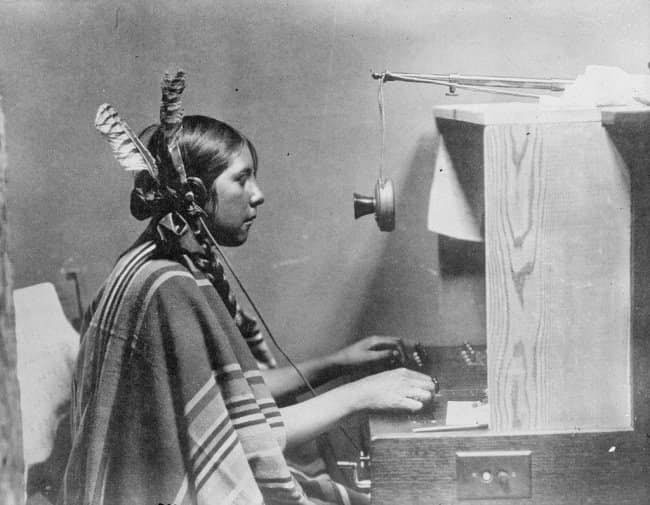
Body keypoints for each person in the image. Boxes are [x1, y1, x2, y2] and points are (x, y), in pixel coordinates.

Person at [60, 74, 436, 505]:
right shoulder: (169, 288)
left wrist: (337, 363)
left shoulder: (155, 262)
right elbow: (246, 442)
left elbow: (231, 397)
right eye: (242, 180)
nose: (258, 195)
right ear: (196, 194)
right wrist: (361, 394)